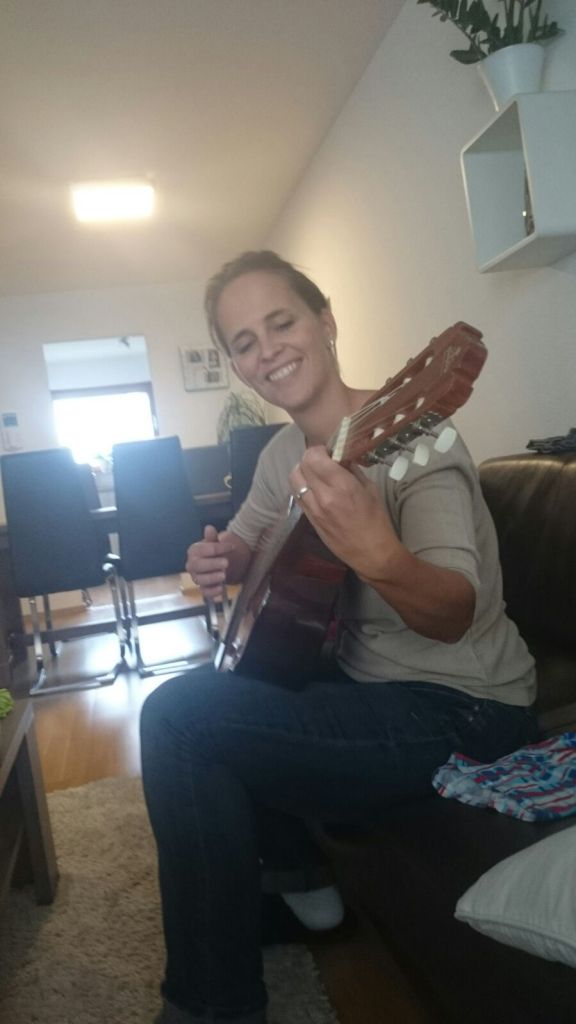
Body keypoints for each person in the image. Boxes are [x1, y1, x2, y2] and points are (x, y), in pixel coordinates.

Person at [140, 251, 538, 1024]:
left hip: (465, 707)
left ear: (325, 322)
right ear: (236, 366)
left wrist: (378, 553)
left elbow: (453, 613)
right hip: (365, 687)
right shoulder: (279, 454)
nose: (268, 350)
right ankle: (302, 887)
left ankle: (214, 1008)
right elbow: (249, 538)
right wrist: (226, 557)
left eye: (281, 323)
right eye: (245, 342)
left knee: (177, 717)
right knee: (238, 683)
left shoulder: (417, 437)